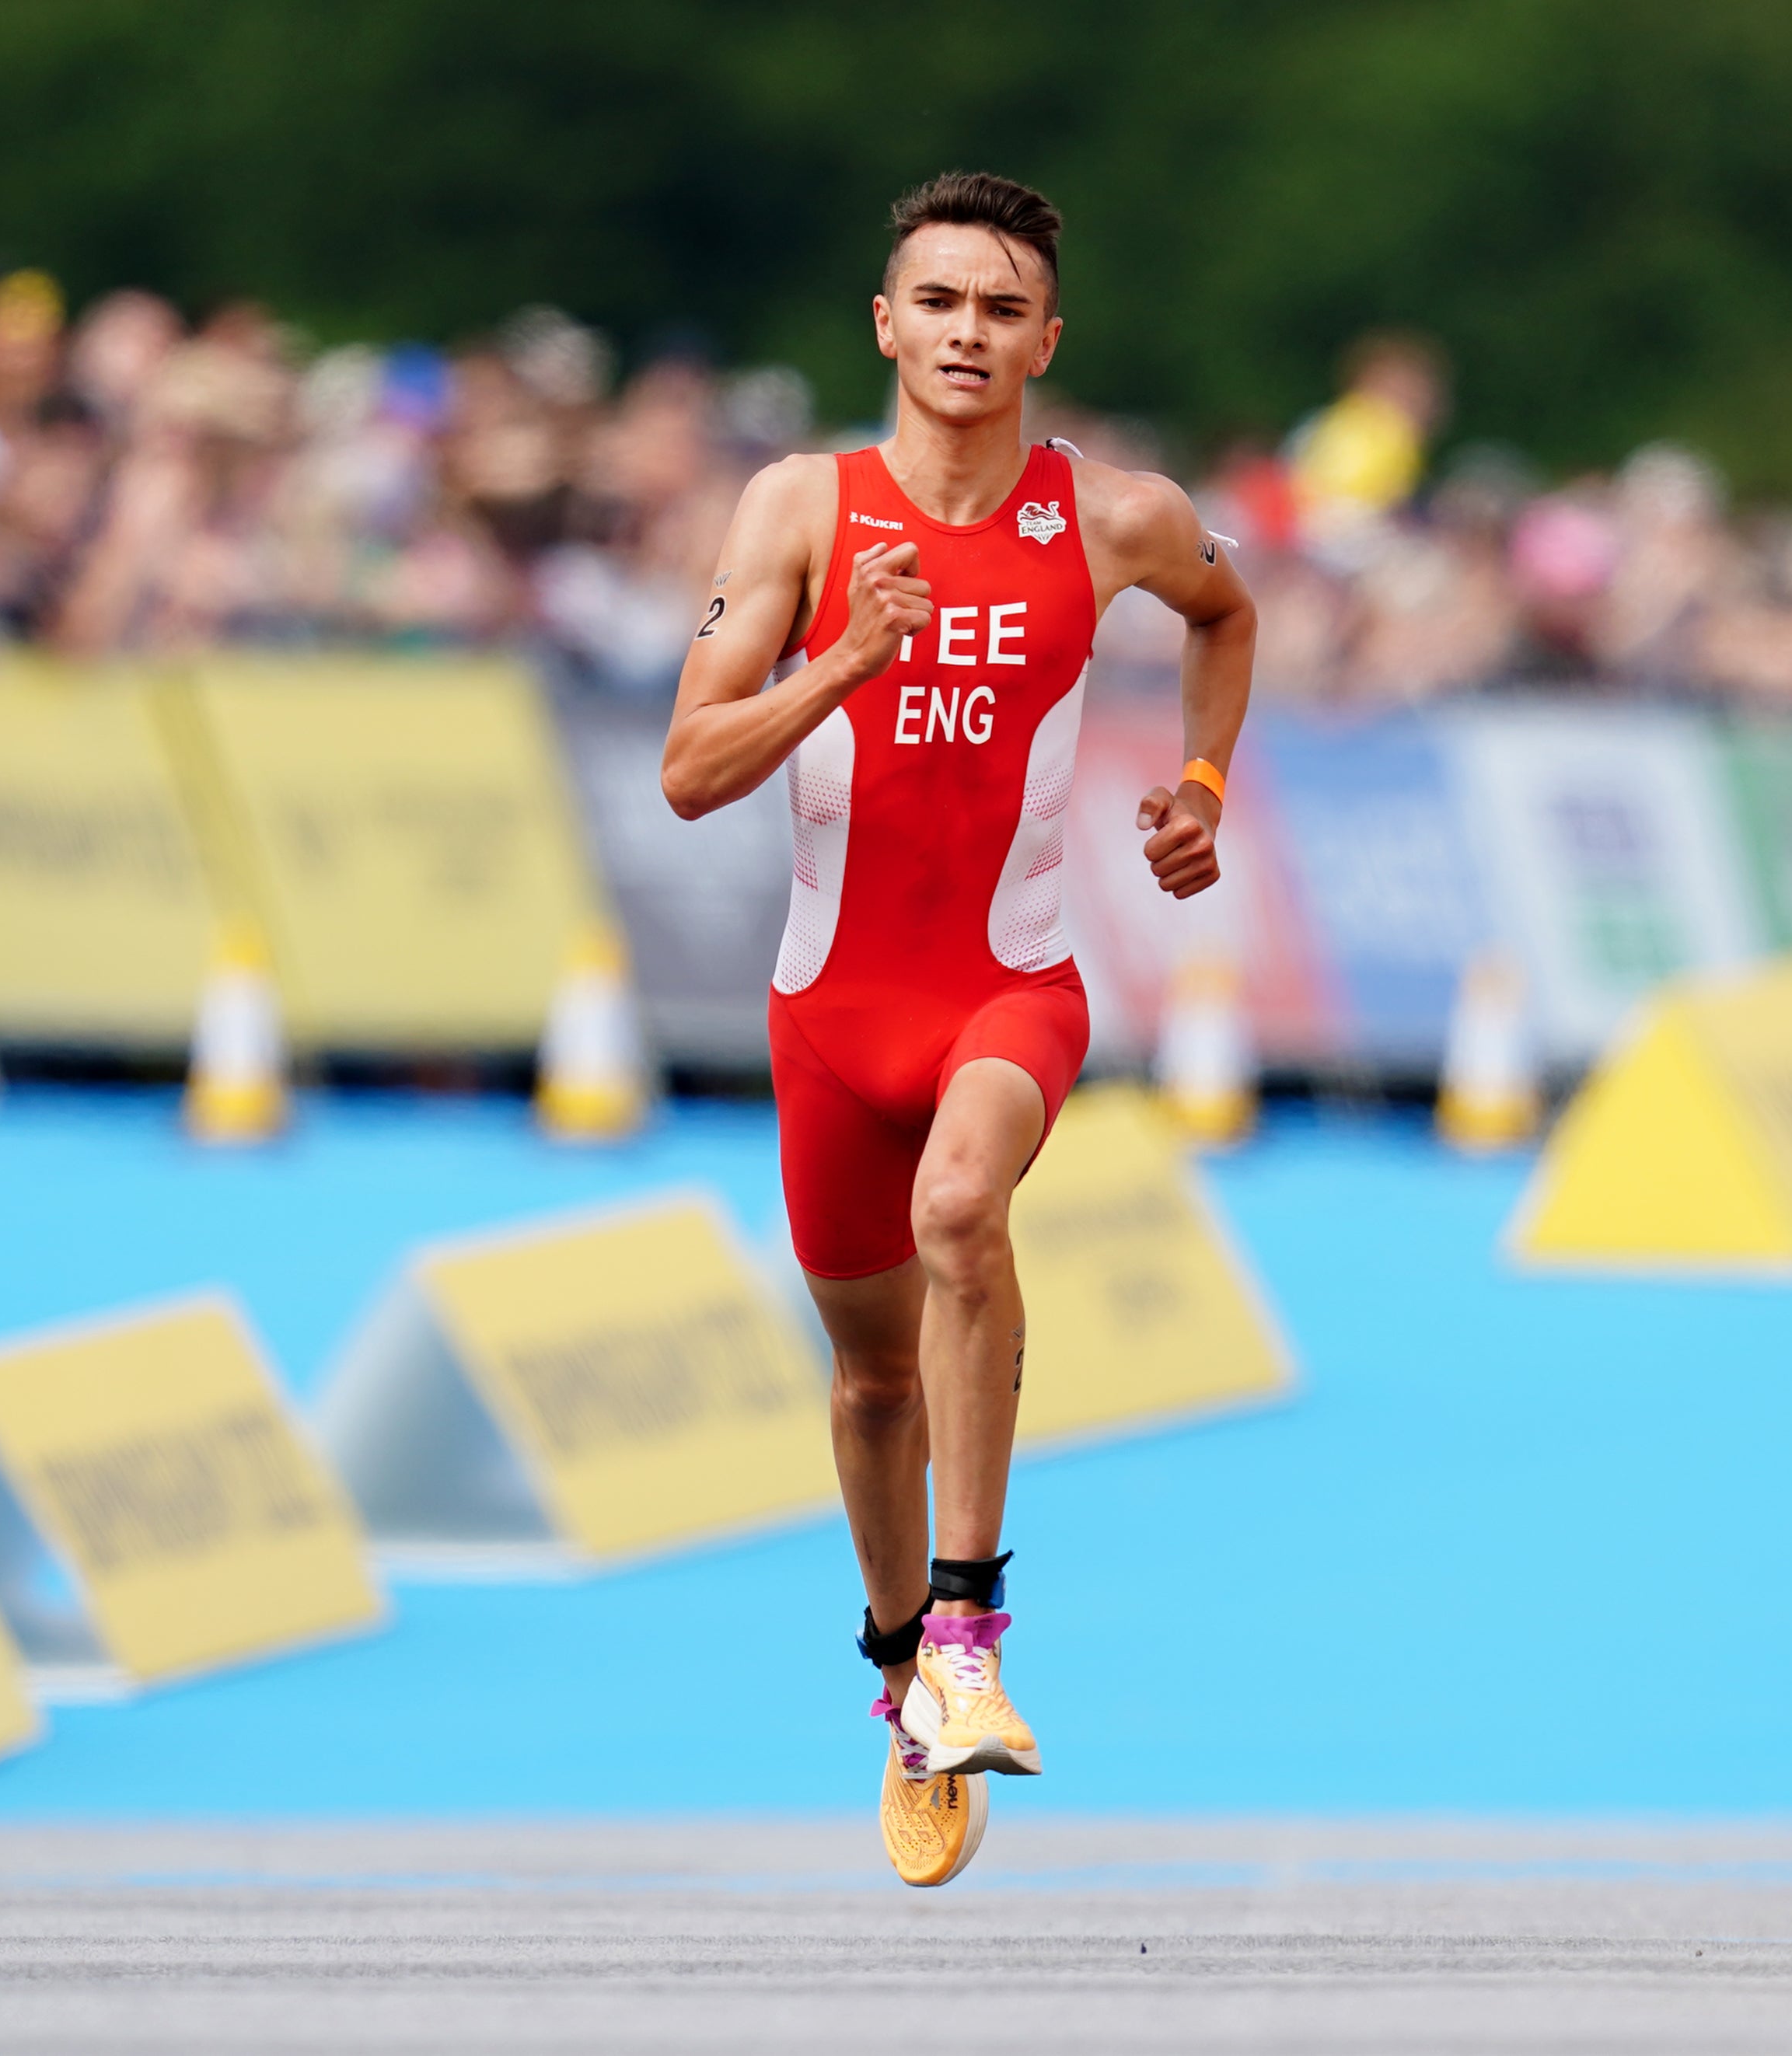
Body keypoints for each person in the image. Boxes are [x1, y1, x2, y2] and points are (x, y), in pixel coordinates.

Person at [658, 173, 1254, 1887]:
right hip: (831, 1016)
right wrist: (845, 655)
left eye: (1002, 311)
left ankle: (977, 1627)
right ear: (886, 325)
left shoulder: (1117, 514)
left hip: (1011, 981)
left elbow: (1228, 613)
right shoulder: (798, 508)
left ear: (1045, 339)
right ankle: (904, 1664)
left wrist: (1200, 781)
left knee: (960, 1213)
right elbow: (693, 773)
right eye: (939, 304)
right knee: (865, 1378)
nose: (968, 335)